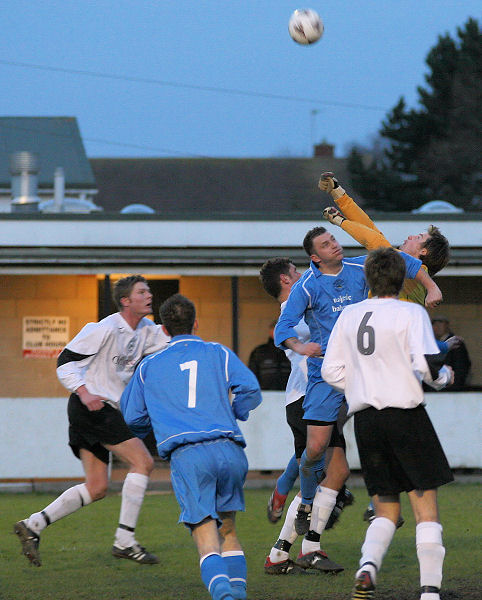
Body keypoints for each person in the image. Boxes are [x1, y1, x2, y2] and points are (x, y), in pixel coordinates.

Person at [274, 224, 424, 548]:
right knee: (314, 449)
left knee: (388, 426)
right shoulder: (308, 286)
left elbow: (400, 261)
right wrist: (303, 348)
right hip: (326, 375)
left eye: (334, 240)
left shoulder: (359, 266)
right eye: (327, 245)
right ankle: (305, 503)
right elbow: (282, 329)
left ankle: (380, 500)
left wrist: (432, 286)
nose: (335, 245)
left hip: (364, 371)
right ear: (315, 257)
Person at [321, 247, 454, 600]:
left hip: (367, 421)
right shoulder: (411, 313)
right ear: (402, 279)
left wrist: (362, 384)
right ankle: (429, 591)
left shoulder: (349, 315)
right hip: (406, 417)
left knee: (385, 506)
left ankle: (367, 568)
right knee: (425, 507)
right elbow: (429, 367)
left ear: (368, 278)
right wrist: (446, 376)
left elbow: (330, 371)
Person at [14, 275, 170, 567]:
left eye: (148, 290)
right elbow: (64, 360)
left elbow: (173, 341)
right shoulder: (104, 328)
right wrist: (84, 391)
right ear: (126, 301)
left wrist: (188, 334)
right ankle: (125, 541)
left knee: (97, 487)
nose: (149, 294)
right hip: (92, 408)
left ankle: (34, 525)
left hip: (99, 410)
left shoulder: (148, 330)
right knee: (143, 462)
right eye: (141, 291)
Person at [121, 294, 262, 600]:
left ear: (164, 329)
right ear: (196, 323)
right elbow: (250, 389)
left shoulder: (149, 365)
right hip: (230, 449)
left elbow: (132, 418)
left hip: (189, 455)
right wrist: (236, 411)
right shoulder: (219, 353)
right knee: (229, 530)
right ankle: (237, 594)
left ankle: (224, 595)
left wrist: (158, 421)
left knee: (206, 538)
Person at [259, 257, 350, 575]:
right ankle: (307, 547)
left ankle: (283, 553)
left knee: (328, 474)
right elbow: (327, 341)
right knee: (333, 474)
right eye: (297, 272)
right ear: (286, 280)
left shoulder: (297, 312)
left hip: (309, 401)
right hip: (307, 402)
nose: (303, 276)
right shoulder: (294, 315)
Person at [318, 172, 448, 310]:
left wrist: (341, 221)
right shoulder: (400, 263)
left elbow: (374, 241)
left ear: (423, 251)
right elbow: (370, 230)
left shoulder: (420, 271)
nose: (411, 236)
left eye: (418, 237)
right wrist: (337, 192)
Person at [248, 319, 291, 390]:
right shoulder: (259, 352)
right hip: (265, 396)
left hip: (290, 395)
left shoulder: (292, 351)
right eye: (276, 329)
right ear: (271, 331)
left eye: (282, 330)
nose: (279, 333)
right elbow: (252, 375)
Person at [431, 316, 471, 390]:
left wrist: (455, 386)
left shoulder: (456, 342)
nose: (437, 327)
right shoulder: (432, 343)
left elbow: (461, 366)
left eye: (440, 324)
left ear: (446, 326)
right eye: (434, 324)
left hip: (450, 387)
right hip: (436, 386)